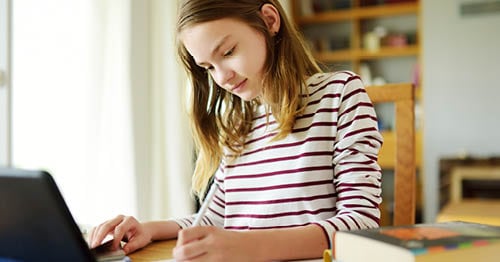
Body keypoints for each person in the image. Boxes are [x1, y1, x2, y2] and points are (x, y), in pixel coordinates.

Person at [89, 0, 383, 261]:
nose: (222, 77)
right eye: (208, 67)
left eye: (228, 52)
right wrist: (150, 229)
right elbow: (215, 220)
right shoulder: (236, 120)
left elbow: (361, 225)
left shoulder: (339, 93)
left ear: (269, 20)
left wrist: (246, 247)